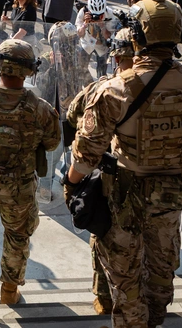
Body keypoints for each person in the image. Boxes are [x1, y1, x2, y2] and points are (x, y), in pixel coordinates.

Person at [64, 0, 182, 327]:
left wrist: (71, 183)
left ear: (137, 34)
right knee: (160, 273)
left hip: (125, 197)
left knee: (125, 281)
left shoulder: (114, 89)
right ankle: (153, 319)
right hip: (173, 197)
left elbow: (85, 155)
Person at [0, 39, 60, 303]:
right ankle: (9, 289)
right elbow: (52, 142)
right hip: (20, 185)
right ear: (29, 70)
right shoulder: (40, 108)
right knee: (18, 234)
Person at [65, 27, 135, 316]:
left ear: (117, 56)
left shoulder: (104, 88)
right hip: (161, 183)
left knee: (105, 237)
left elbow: (72, 116)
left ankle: (105, 299)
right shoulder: (176, 85)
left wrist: (72, 181)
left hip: (115, 181)